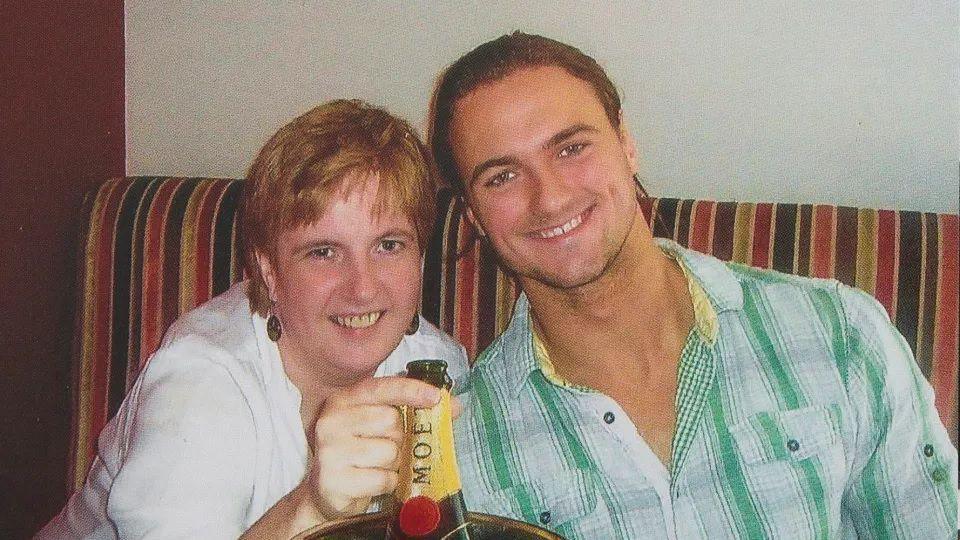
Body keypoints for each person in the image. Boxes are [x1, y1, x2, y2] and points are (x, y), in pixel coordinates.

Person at [430, 32, 958, 538]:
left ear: (626, 142)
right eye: (501, 176)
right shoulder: (461, 446)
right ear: (473, 215)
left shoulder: (840, 335)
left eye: (570, 149)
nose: (549, 199)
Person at [38, 99, 469, 538]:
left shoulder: (435, 365)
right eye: (323, 252)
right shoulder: (200, 382)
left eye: (389, 245)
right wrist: (311, 506)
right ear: (269, 270)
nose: (363, 288)